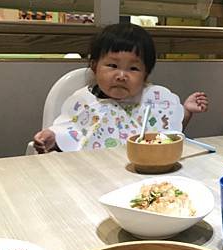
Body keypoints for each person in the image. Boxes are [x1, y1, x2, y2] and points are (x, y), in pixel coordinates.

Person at [33, 23, 208, 153]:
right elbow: (70, 131)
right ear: (95, 67)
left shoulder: (151, 100)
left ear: (145, 75)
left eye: (133, 68)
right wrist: (51, 138)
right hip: (92, 174)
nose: (121, 75)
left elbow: (169, 129)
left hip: (141, 172)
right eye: (112, 65)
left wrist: (186, 111)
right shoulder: (85, 102)